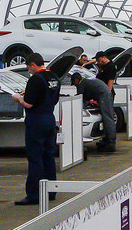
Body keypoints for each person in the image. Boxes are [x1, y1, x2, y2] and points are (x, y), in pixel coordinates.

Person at [12, 53, 61, 205]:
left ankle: (34, 194)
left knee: (35, 157)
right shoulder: (54, 78)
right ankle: (51, 191)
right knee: (49, 156)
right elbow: (53, 98)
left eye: (28, 68)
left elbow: (29, 104)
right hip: (50, 119)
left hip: (36, 121)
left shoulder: (35, 79)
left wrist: (18, 97)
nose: (29, 71)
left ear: (33, 65)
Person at [69, 60, 117, 153]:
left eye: (74, 84)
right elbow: (86, 97)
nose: (75, 86)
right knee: (106, 117)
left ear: (76, 80)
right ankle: (106, 139)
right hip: (105, 93)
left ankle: (111, 143)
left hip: (104, 95)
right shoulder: (86, 81)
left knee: (108, 117)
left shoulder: (81, 84)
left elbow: (80, 99)